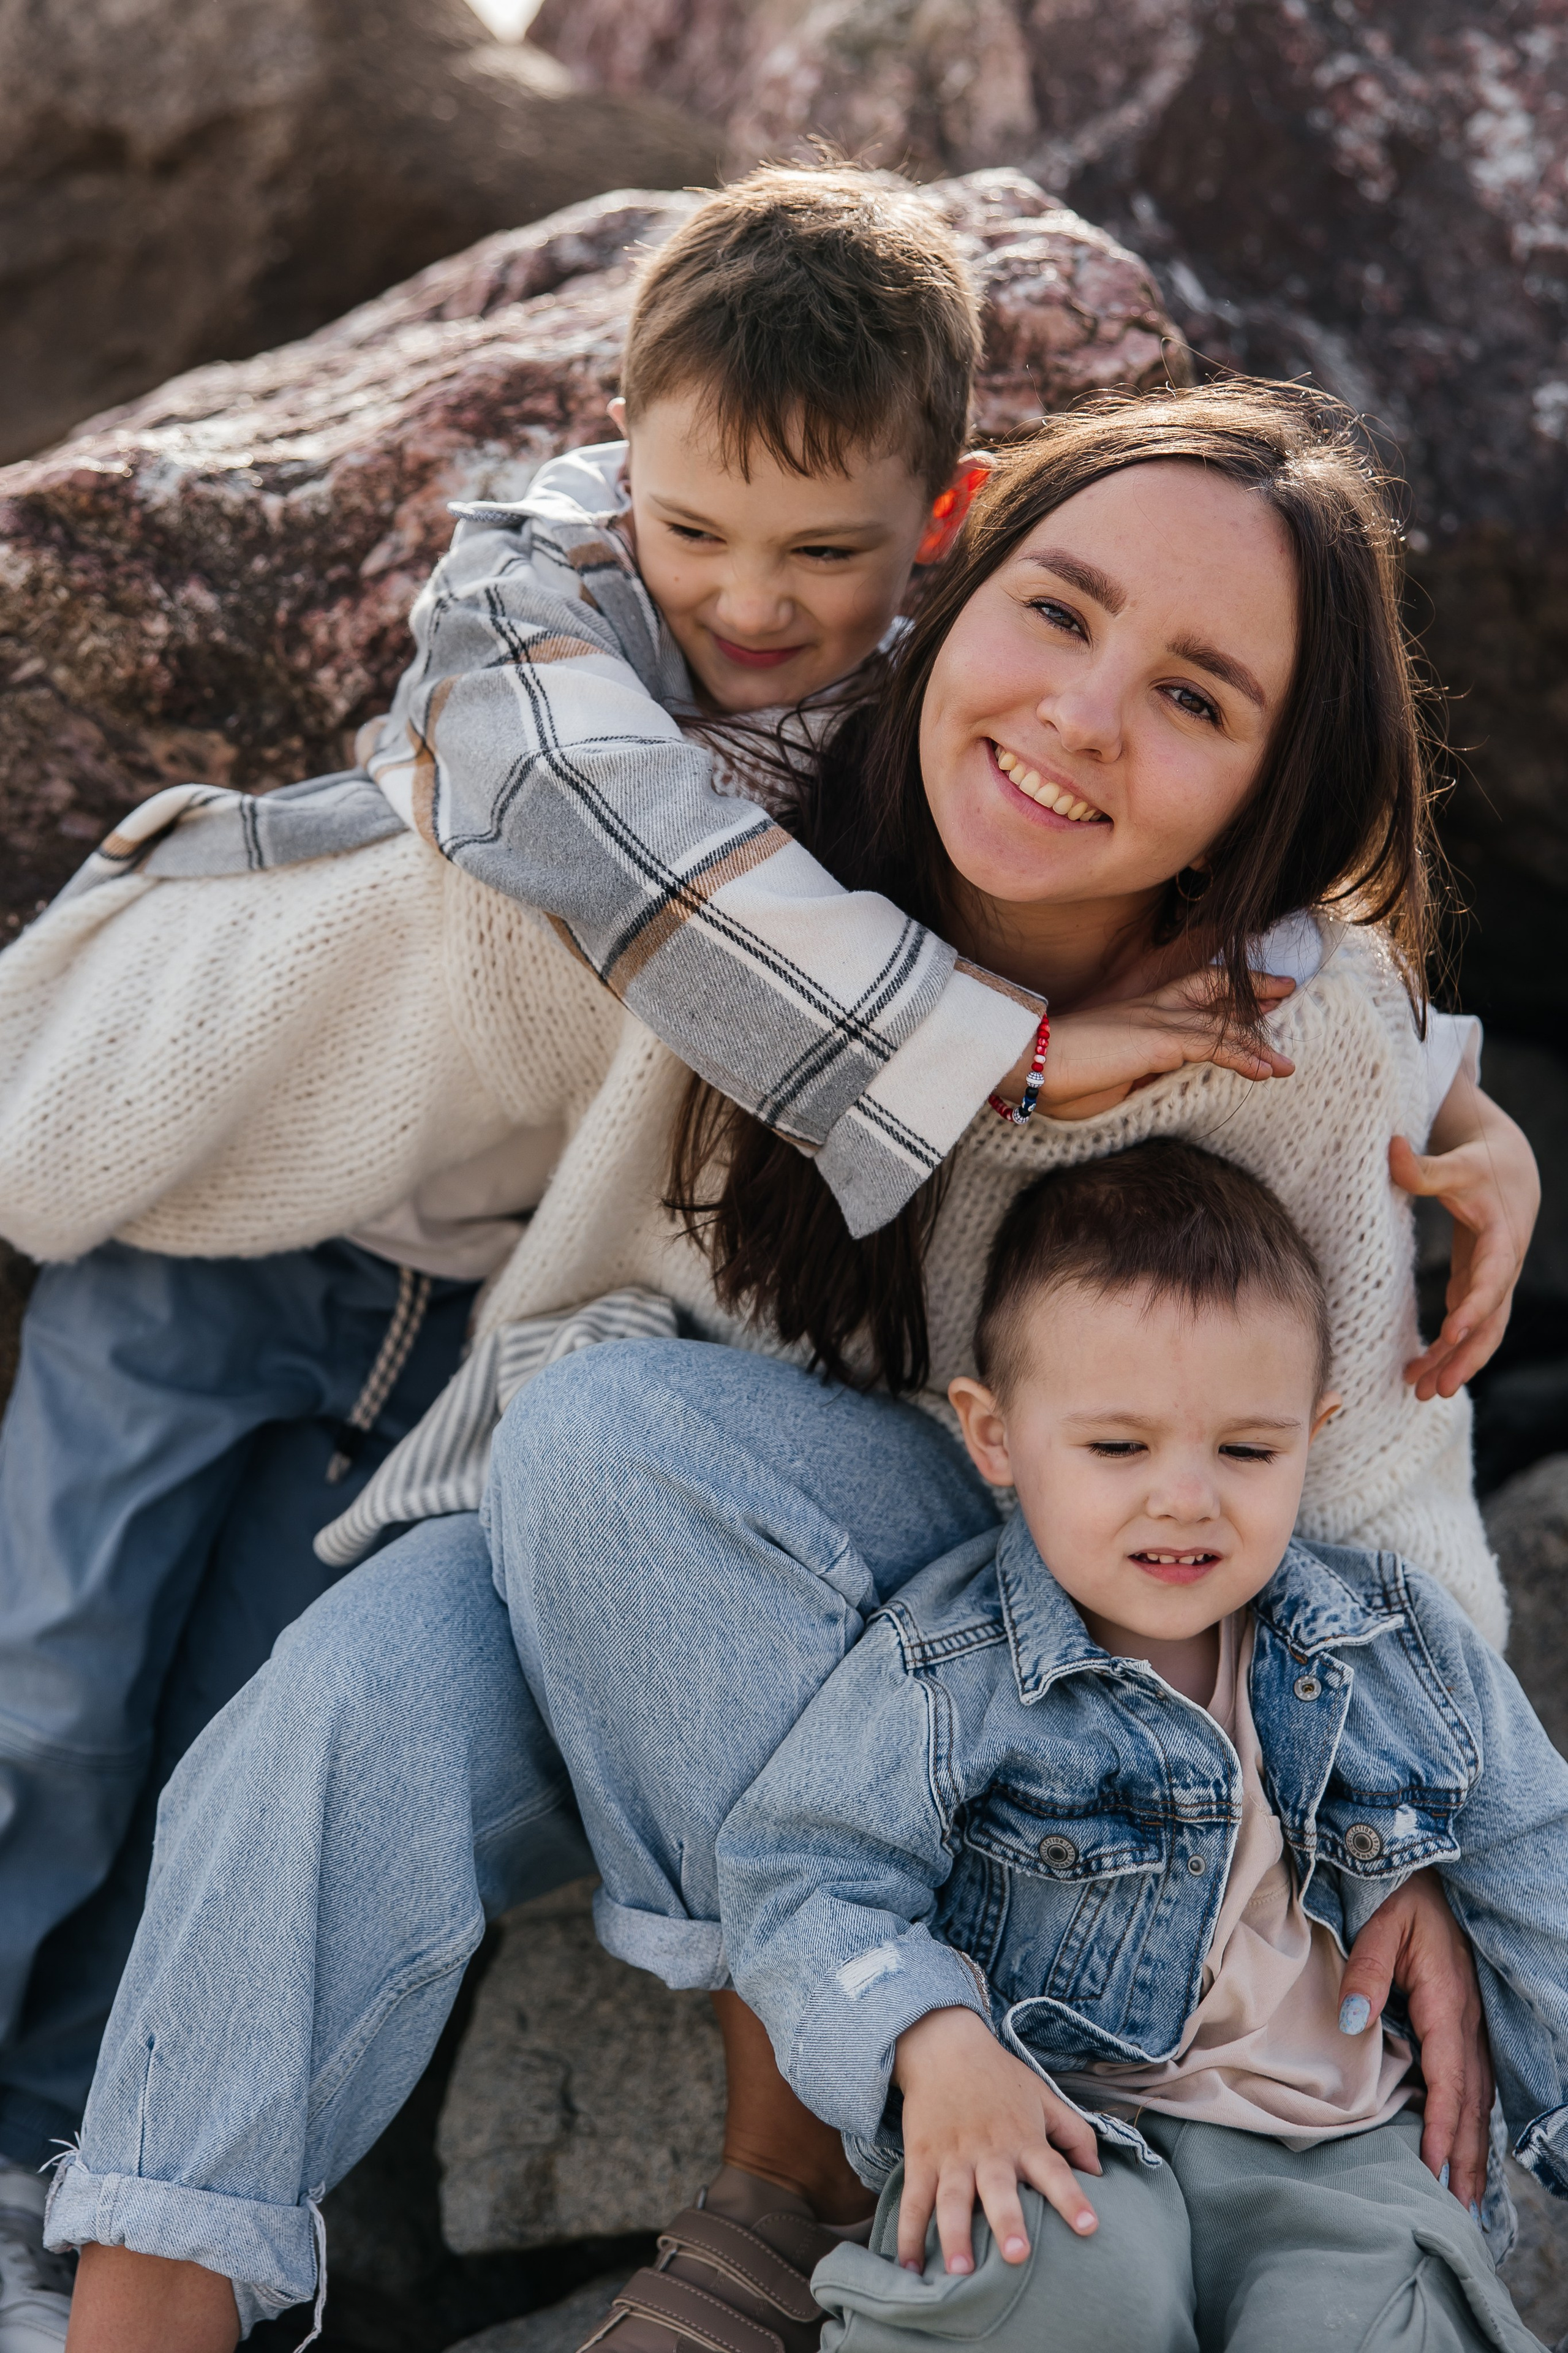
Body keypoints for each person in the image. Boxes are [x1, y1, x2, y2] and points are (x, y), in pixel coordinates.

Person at [40, 382, 1534, 2351]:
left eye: (1196, 699)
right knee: (332, 1713)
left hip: (1014, 1642)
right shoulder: (707, 863)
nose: (1083, 716)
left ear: (1275, 787)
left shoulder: (1280, 1037)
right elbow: (132, 1070)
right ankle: (143, 2302)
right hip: (600, 1553)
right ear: (961, 552)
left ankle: (779, 2190)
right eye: (1059, 614)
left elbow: (1356, 1475)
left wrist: (1399, 1832)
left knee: (605, 1422)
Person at [0, 162, 1037, 2336]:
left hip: (471, 1329)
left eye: (826, 554)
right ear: (617, 452)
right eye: (697, 530)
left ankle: (47, 2173)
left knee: (229, 1752)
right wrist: (1007, 1046)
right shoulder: (526, 585)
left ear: (937, 528)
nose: (748, 600)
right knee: (44, 1683)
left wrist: (1430, 1092)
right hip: (241, 1227)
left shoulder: (941, 720)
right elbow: (602, 829)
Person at [715, 1139, 1562, 2353]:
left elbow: (1538, 1876)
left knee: (1362, 2325)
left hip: (1339, 2141)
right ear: (993, 1436)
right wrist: (923, 2033)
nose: (1183, 1497)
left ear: (1311, 1434)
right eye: (1117, 1448)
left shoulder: (1397, 1647)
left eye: (1245, 1449)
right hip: (1058, 2112)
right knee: (1039, 2284)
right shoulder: (944, 1669)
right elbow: (799, 1877)